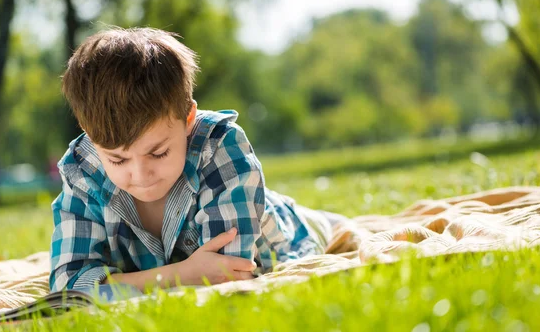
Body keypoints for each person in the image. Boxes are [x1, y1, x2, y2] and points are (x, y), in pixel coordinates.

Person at [49, 27, 348, 293]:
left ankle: (321, 217)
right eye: (117, 160)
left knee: (327, 225)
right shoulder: (81, 169)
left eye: (158, 152)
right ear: (89, 134)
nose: (140, 174)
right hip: (177, 260)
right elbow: (69, 288)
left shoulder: (221, 146)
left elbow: (228, 273)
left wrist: (122, 285)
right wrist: (181, 274)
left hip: (285, 233)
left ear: (188, 118)